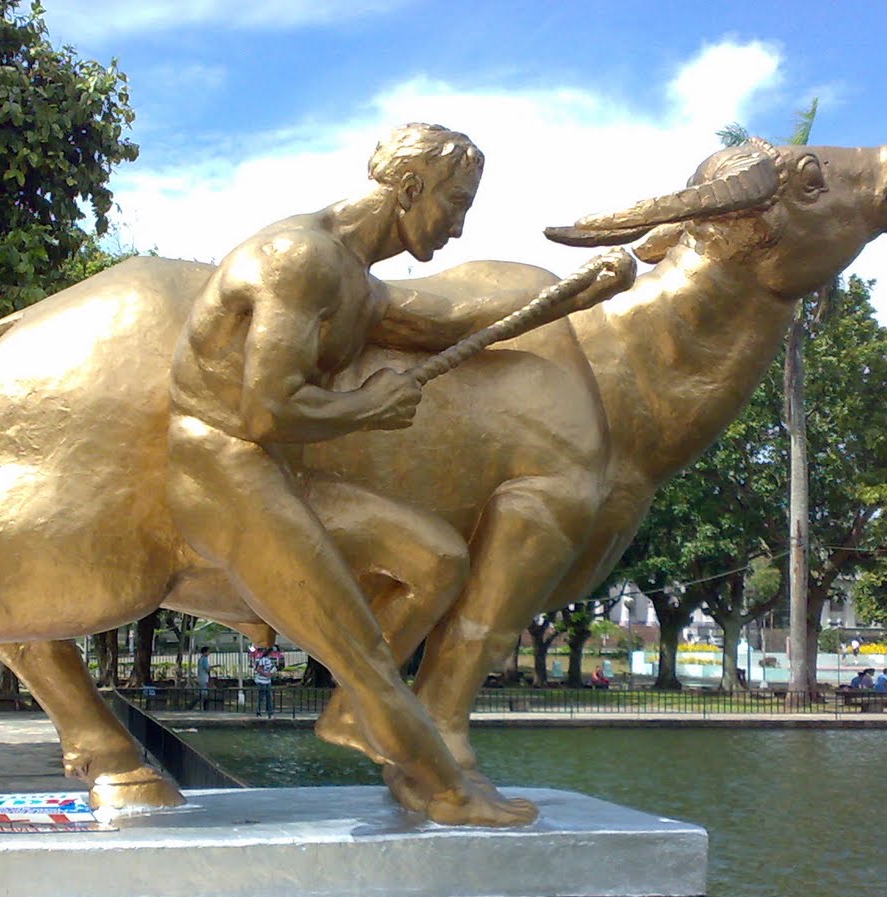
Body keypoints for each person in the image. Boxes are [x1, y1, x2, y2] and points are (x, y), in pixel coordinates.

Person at [165, 122, 633, 821]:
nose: (458, 227)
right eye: (456, 203)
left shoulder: (357, 279)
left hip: (271, 470)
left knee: (440, 560)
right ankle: (435, 777)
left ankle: (357, 717)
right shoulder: (303, 259)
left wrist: (569, 295)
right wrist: (366, 406)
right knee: (360, 647)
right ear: (410, 188)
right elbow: (265, 410)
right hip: (221, 466)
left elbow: (444, 321)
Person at [251, 645, 279, 717]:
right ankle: (259, 712)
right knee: (261, 697)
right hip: (262, 681)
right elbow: (259, 669)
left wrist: (272, 674)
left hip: (268, 681)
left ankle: (270, 712)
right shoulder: (264, 659)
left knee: (269, 697)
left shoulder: (270, 660)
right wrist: (266, 674)